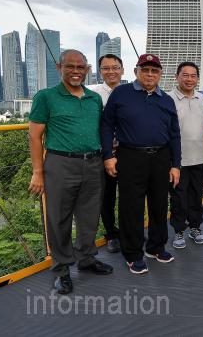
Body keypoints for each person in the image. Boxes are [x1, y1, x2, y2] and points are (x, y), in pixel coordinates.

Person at [28, 49, 113, 294]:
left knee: (90, 216)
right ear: (59, 67)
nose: (76, 71)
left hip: (93, 163)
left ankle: (86, 258)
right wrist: (37, 171)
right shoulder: (46, 97)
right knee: (59, 219)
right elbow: (34, 136)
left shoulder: (93, 98)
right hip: (60, 164)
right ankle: (62, 270)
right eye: (70, 66)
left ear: (87, 70)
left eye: (80, 67)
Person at [101, 53, 181, 274]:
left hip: (161, 157)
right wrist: (108, 155)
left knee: (159, 205)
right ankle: (133, 253)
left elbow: (175, 134)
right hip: (130, 156)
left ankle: (156, 247)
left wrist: (176, 165)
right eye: (145, 70)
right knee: (131, 207)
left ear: (160, 74)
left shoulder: (166, 100)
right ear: (136, 71)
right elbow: (107, 125)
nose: (149, 74)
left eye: (154, 70)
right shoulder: (121, 93)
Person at [168, 62, 203, 249]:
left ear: (197, 79)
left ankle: (195, 227)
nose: (189, 79)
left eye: (193, 76)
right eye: (185, 75)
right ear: (177, 77)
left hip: (200, 157)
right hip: (177, 160)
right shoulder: (168, 99)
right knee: (178, 198)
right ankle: (178, 230)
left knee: (196, 196)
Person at [87, 53, 124, 254]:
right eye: (106, 68)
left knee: (129, 194)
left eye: (115, 67)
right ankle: (111, 234)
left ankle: (128, 231)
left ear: (122, 70)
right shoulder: (92, 95)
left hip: (127, 152)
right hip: (103, 153)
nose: (111, 72)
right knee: (106, 196)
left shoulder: (130, 92)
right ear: (100, 71)